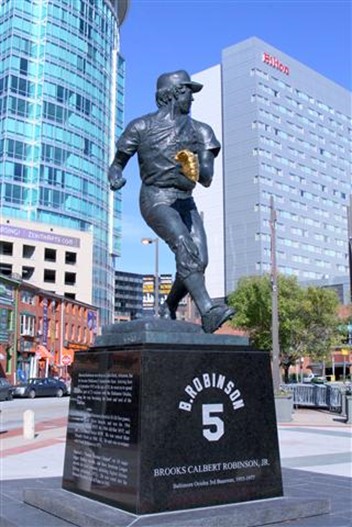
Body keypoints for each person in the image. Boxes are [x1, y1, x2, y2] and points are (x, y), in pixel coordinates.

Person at [108, 70, 234, 333]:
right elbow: (118, 163)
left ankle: (169, 305)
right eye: (189, 91)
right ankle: (208, 310)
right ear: (175, 93)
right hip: (156, 197)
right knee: (183, 244)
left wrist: (195, 168)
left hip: (185, 202)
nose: (192, 98)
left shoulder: (201, 131)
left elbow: (207, 179)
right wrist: (116, 176)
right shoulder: (141, 127)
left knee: (199, 259)